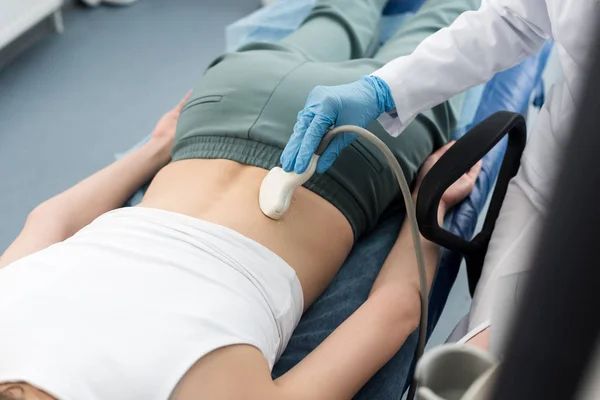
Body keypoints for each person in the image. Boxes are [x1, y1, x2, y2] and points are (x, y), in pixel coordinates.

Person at [0, 0, 482, 399]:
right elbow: (50, 218)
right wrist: (157, 147)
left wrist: (427, 198)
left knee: (449, 19)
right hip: (224, 103)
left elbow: (394, 310)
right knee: (339, 12)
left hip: (347, 161)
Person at [282, 0, 599, 350]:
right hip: (555, 169)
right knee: (483, 354)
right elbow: (515, 19)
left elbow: (396, 313)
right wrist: (385, 89)